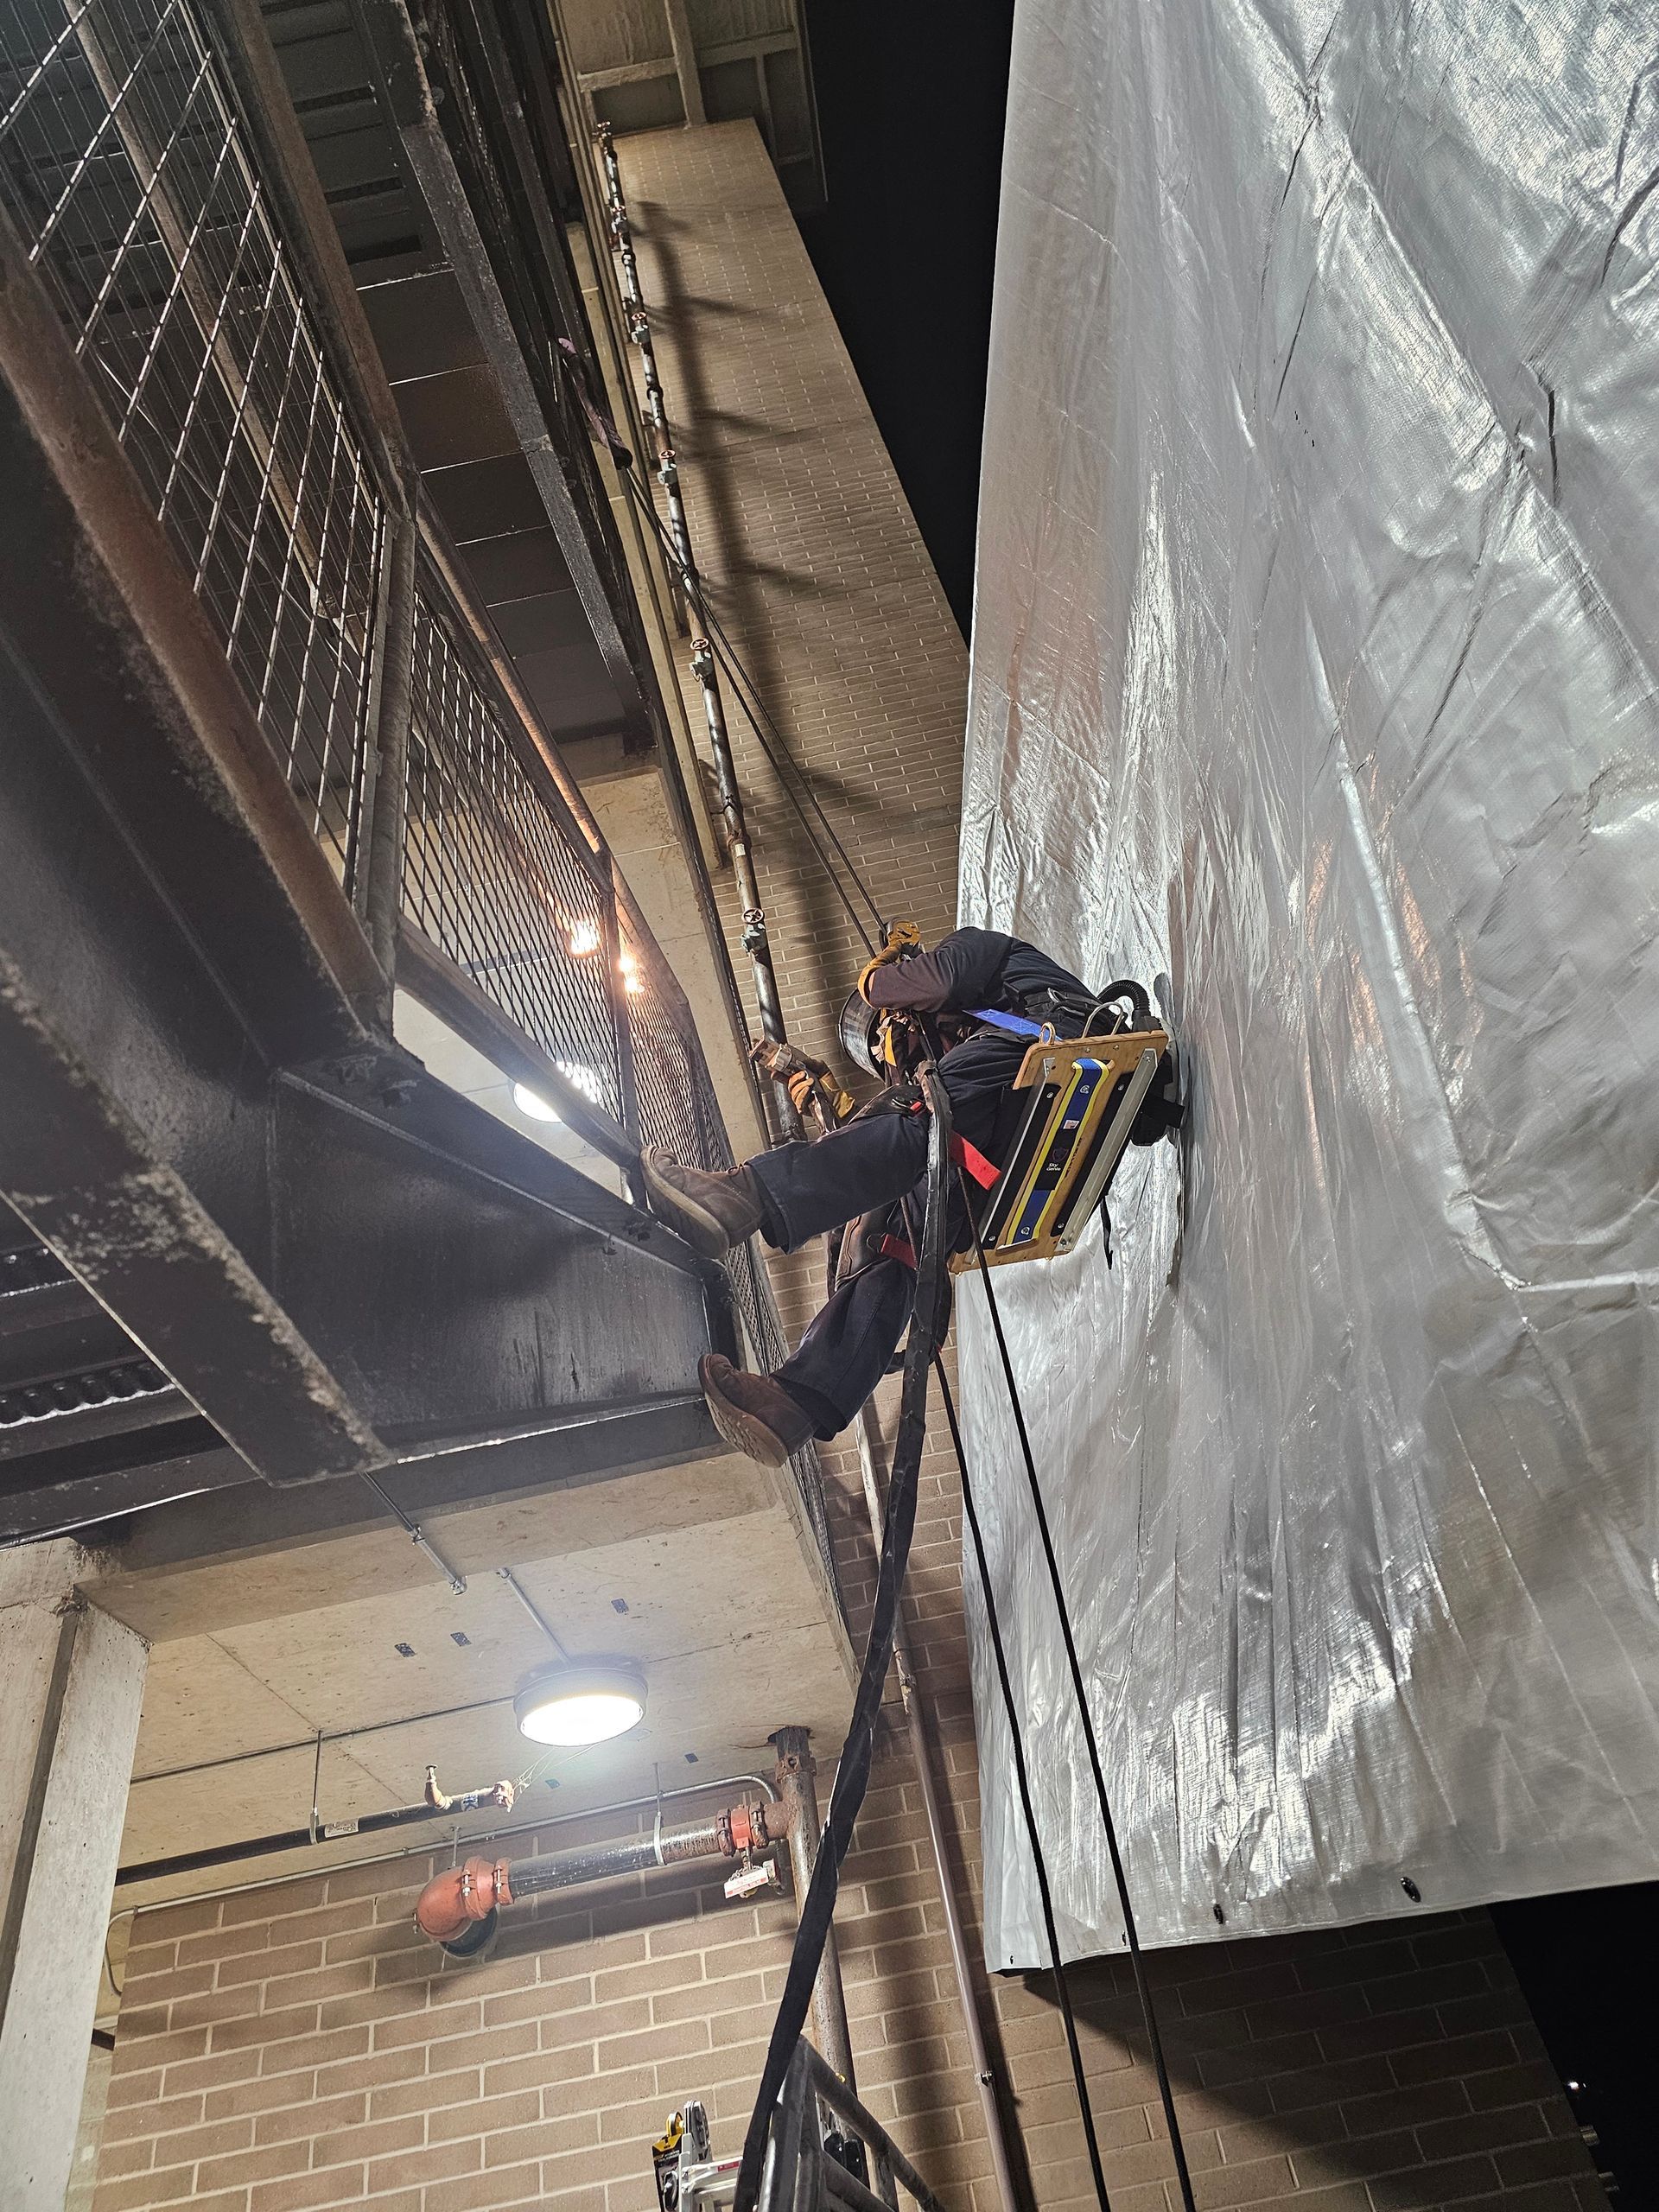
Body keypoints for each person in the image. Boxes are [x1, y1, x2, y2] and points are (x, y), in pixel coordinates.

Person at [642, 926, 1179, 1466]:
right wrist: (829, 1103)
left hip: (1058, 1053)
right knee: (887, 1237)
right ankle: (798, 1401)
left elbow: (938, 985)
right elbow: (889, 1156)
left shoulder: (981, 953)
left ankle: (740, 1195)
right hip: (1013, 1133)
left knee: (913, 1111)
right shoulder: (967, 1056)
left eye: (884, 1038)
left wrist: (877, 981)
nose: (887, 1054)